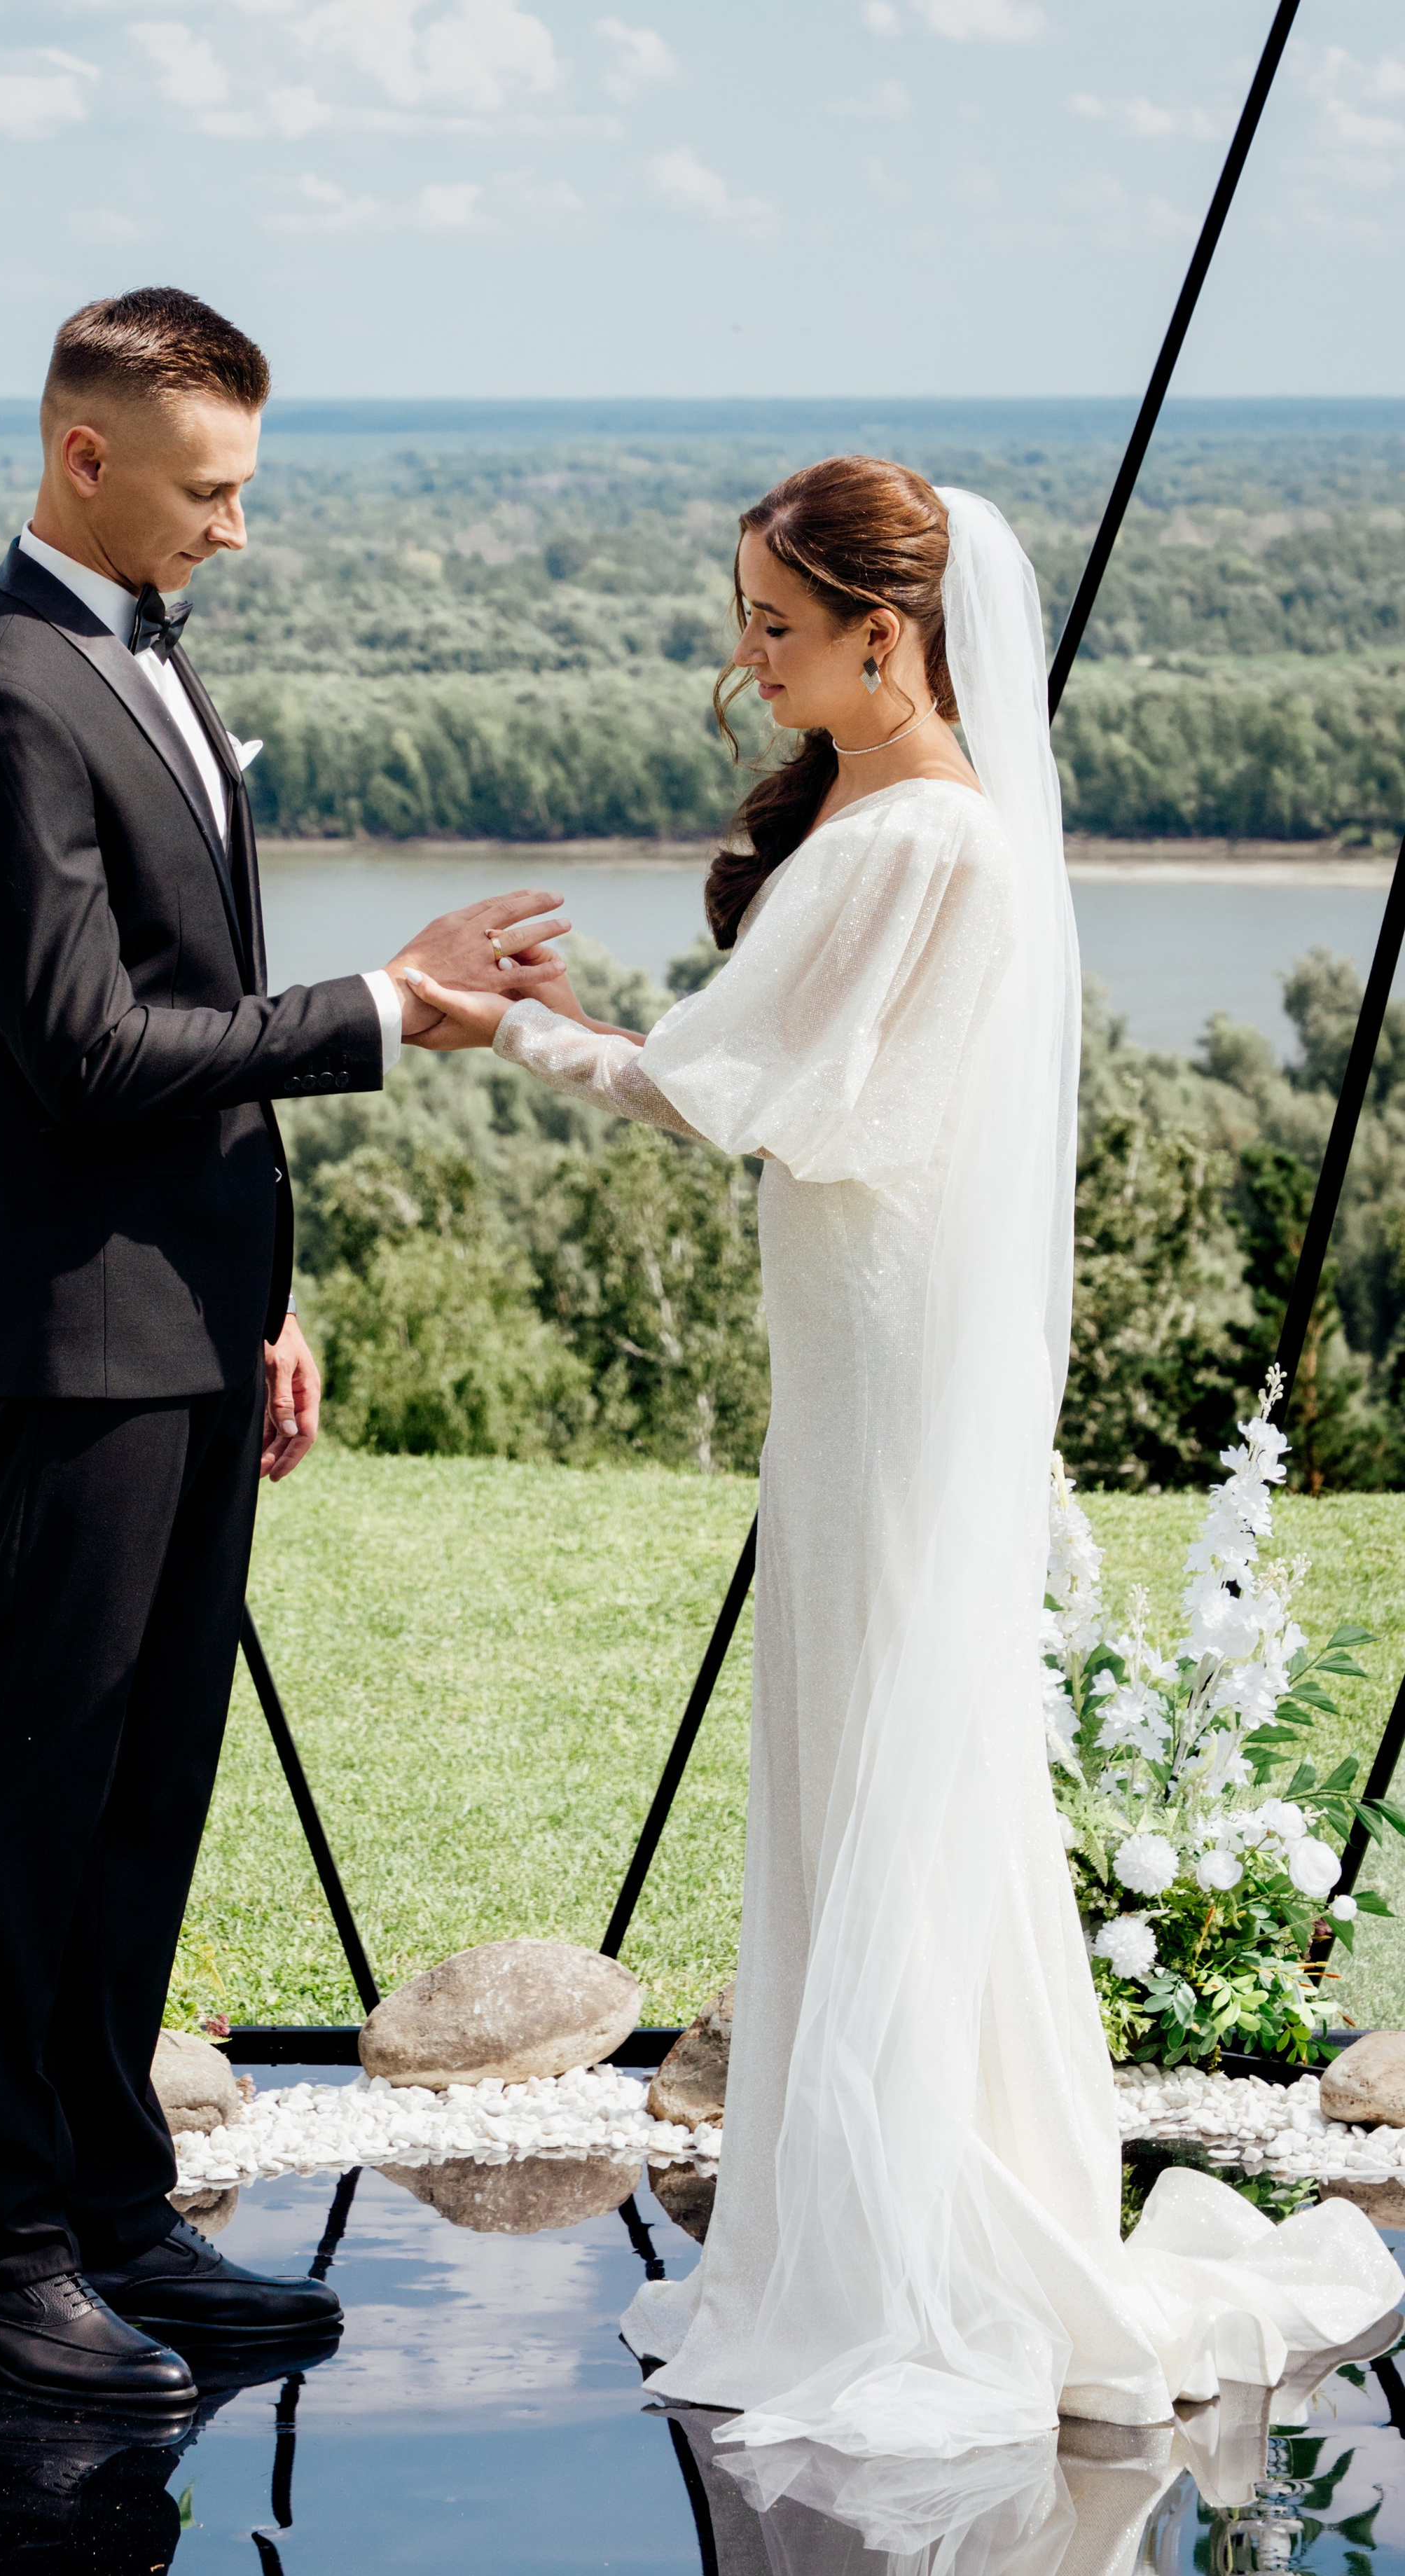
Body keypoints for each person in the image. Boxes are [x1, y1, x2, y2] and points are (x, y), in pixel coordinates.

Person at [403, 458, 1404, 2463]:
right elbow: (790, 1080)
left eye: (776, 625)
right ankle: (908, 2191)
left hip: (877, 1362)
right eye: (746, 620)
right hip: (881, 1341)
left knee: (872, 1747)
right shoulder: (926, 817)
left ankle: (891, 2252)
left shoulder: (914, 841)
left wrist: (504, 1031)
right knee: (899, 1754)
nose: (744, 657)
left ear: (892, 632)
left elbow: (735, 1095)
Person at [0, 284, 567, 2409]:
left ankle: (110, 2209)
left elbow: (186, 1042)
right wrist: (380, 1004)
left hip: (185, 1328)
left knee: (148, 1794)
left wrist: (265, 1297)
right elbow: (87, 1052)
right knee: (31, 1795)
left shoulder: (143, 667)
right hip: (76, 1348)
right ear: (83, 458)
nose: (238, 533)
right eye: (210, 492)